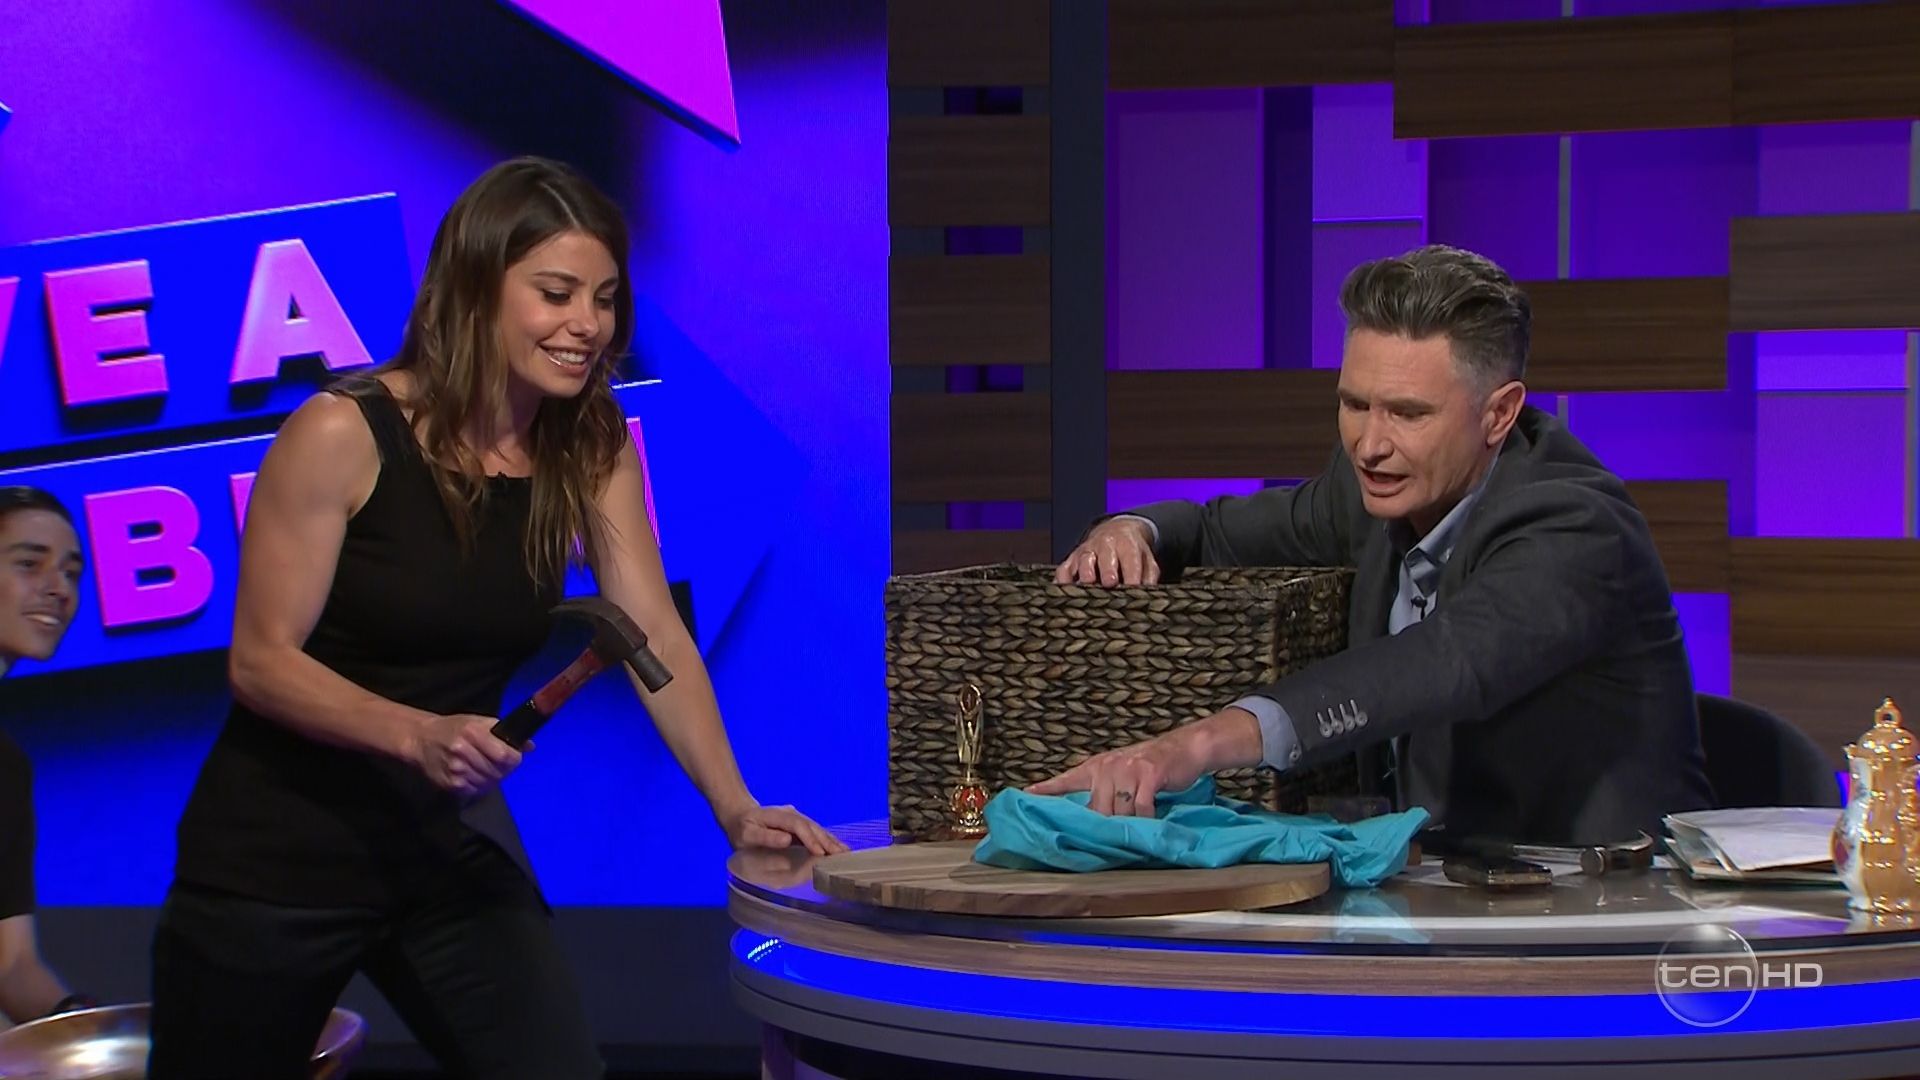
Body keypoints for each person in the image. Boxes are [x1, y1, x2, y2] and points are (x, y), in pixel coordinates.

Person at [148, 157, 845, 1079]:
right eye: (556, 294)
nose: (588, 324)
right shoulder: (340, 432)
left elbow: (652, 632)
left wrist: (736, 806)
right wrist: (416, 733)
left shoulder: (589, 443)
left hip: (444, 850)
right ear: (476, 288)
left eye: (604, 298)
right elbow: (261, 663)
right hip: (278, 858)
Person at [1042, 244, 1714, 845]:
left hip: (1606, 906)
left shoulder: (1576, 524)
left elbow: (1445, 661)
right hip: (1437, 893)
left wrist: (1195, 745)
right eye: (1355, 404)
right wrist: (1131, 528)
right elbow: (1216, 531)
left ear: (1499, 414)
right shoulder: (1367, 487)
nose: (1369, 445)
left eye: (1408, 413)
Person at [0, 486, 94, 1025]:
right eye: (29, 564)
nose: (59, 589)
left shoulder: (8, 771)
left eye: (72, 573)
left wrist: (83, 1027)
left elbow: (11, 964)